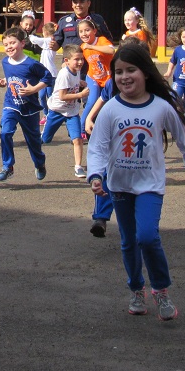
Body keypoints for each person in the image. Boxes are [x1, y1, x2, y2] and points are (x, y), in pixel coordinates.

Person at [87, 44, 185, 319]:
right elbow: (98, 147)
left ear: (146, 73)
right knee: (128, 242)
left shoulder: (161, 107)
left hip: (150, 185)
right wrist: (95, 174)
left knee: (148, 237)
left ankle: (161, 291)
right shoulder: (111, 109)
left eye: (131, 70)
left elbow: (183, 138)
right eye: (118, 72)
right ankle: (136, 289)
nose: (124, 77)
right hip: (119, 186)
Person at [0, 27, 53, 182]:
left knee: (33, 141)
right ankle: (8, 166)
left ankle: (40, 164)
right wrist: (4, 82)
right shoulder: (5, 62)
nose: (9, 47)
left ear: (22, 43)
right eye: (5, 44)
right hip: (11, 104)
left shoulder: (32, 64)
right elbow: (13, 77)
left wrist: (34, 89)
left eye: (12, 43)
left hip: (29, 108)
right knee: (5, 132)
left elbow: (48, 79)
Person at [79, 17, 116, 235]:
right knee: (104, 174)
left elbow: (110, 49)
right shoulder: (114, 84)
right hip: (97, 80)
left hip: (130, 143)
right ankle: (100, 219)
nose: (84, 34)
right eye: (81, 31)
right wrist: (89, 117)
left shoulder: (100, 42)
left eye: (87, 30)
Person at [39, 45, 89, 176]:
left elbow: (74, 81)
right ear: (66, 61)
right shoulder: (64, 75)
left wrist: (81, 82)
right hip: (57, 110)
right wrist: (80, 95)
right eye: (77, 59)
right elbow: (62, 96)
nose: (80, 62)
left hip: (72, 112)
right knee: (46, 139)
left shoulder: (76, 70)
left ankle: (78, 166)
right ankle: (39, 142)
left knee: (77, 139)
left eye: (82, 59)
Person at [29, 20, 59, 124]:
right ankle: (46, 114)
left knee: (50, 95)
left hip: (51, 74)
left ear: (45, 32)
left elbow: (33, 39)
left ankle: (52, 114)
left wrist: (28, 33)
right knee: (42, 96)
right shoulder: (46, 42)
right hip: (42, 74)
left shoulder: (48, 41)